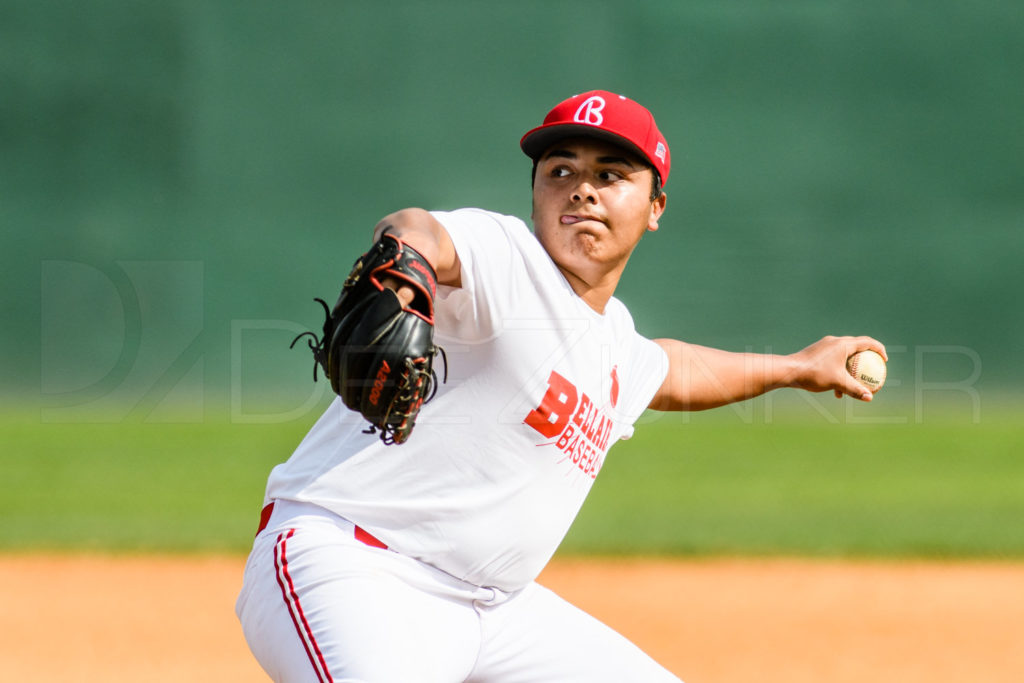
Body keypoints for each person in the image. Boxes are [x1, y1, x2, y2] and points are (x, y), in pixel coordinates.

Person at [235, 90, 886, 682]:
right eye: (561, 171)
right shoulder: (506, 257)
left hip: (495, 611)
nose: (582, 189)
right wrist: (406, 274)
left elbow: (670, 369)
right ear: (537, 192)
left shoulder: (612, 341)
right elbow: (419, 228)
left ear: (655, 207)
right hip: (354, 567)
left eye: (611, 175)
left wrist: (800, 366)